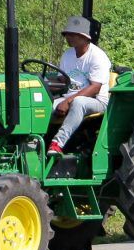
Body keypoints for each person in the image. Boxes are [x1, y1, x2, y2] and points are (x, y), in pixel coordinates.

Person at [47, 15, 112, 155]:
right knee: (43, 105)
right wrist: (44, 86)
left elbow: (95, 88)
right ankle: (36, 141)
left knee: (79, 102)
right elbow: (63, 81)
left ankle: (57, 143)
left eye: (73, 34)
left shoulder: (97, 56)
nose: (68, 37)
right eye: (67, 34)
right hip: (69, 97)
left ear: (84, 37)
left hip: (96, 101)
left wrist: (68, 101)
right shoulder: (68, 55)